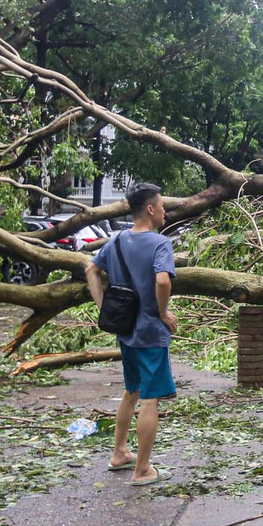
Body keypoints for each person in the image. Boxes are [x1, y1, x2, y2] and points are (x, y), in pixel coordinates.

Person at [85, 182, 178, 486]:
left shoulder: (117, 240)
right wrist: (163, 313)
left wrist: (105, 309)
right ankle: (142, 470)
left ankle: (119, 453)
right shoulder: (160, 243)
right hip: (151, 333)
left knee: (132, 390)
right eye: (162, 206)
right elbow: (163, 281)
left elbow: (91, 271)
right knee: (150, 399)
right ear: (150, 209)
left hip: (125, 331)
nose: (165, 211)